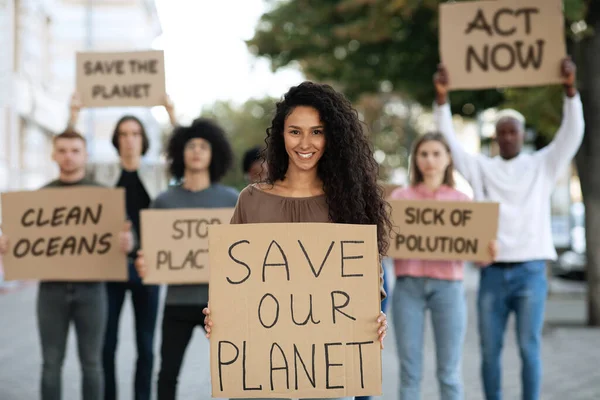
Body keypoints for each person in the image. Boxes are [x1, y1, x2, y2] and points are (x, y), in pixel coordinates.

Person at [202, 81, 391, 400]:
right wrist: (220, 314)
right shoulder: (252, 200)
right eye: (295, 131)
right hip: (263, 366)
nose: (306, 142)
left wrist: (375, 316)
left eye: (317, 131)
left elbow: (368, 283)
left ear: (332, 137)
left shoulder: (349, 202)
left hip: (326, 364)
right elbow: (232, 279)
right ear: (281, 135)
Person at [433, 57, 584, 400]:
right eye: (500, 132)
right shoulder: (482, 168)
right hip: (493, 273)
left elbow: (571, 134)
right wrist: (442, 99)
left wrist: (570, 90)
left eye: (512, 131)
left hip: (531, 270)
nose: (506, 136)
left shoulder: (542, 165)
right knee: (489, 352)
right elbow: (450, 145)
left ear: (522, 134)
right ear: (495, 137)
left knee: (529, 349)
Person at [0, 129, 134, 400]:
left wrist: (128, 242)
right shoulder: (37, 199)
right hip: (51, 291)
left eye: (75, 151)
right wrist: (6, 245)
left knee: (92, 364)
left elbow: (129, 239)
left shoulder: (104, 197)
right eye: (62, 150)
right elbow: (20, 241)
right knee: (50, 364)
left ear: (85, 155)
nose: (68, 156)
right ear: (53, 155)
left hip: (93, 291)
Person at [68, 93, 177, 400]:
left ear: (144, 139)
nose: (129, 140)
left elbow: (183, 153)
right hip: (109, 267)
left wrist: (171, 114)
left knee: (145, 344)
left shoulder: (158, 172)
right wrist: (73, 116)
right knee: (107, 343)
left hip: (148, 266)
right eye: (123, 134)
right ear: (117, 140)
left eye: (135, 133)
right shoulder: (100, 171)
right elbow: (71, 159)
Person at [134, 119, 239, 399]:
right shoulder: (164, 201)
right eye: (190, 145)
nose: (196, 151)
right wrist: (144, 263)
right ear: (180, 152)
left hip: (220, 304)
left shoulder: (233, 200)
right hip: (176, 302)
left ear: (214, 152)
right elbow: (151, 251)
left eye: (203, 146)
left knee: (236, 372)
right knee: (167, 374)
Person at [389, 132, 496, 400]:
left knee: (449, 372)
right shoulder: (400, 198)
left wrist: (488, 251)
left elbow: (479, 258)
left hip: (448, 288)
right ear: (416, 159)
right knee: (409, 372)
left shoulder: (462, 202)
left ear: (448, 159)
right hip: (407, 287)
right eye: (424, 154)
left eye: (437, 153)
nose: (430, 160)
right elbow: (386, 246)